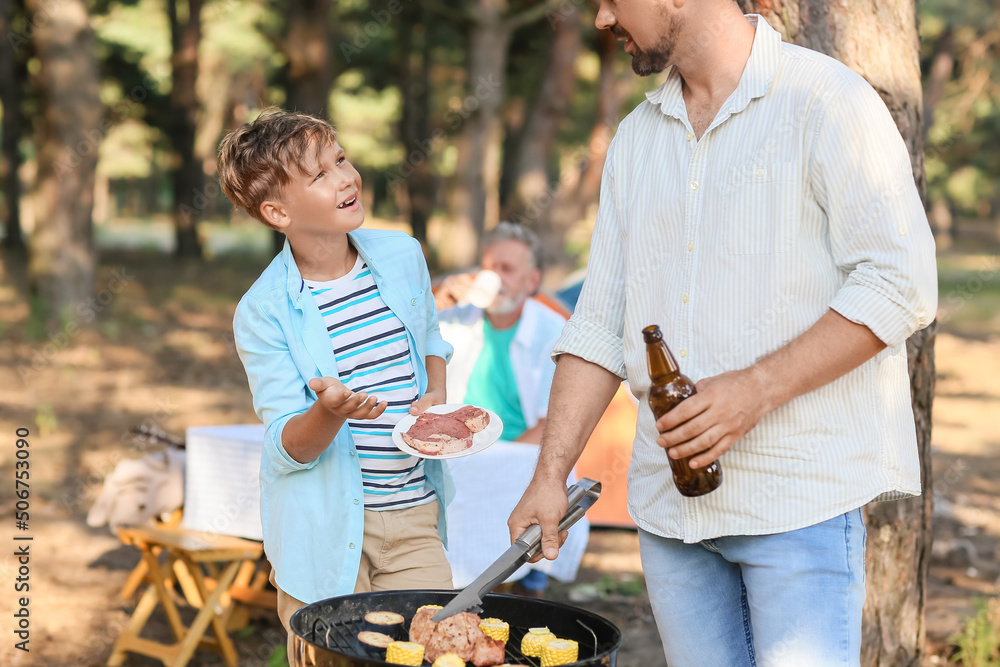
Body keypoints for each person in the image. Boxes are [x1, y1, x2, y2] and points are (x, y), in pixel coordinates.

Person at [508, 3, 938, 666]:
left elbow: (898, 282)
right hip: (671, 517)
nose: (600, 17)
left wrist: (753, 391)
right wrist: (549, 473)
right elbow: (599, 322)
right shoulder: (635, 137)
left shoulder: (826, 101)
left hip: (798, 504)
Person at [218, 109, 454, 660]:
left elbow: (432, 340)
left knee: (440, 650)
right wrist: (330, 412)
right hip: (320, 534)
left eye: (341, 159)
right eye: (320, 175)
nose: (346, 177)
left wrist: (436, 393)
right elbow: (286, 450)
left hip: (415, 513)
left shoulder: (403, 255)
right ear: (278, 212)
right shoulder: (263, 311)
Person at [435, 222, 582, 597]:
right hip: (459, 448)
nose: (495, 278)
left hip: (520, 449)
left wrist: (495, 456)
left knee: (516, 471)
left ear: (533, 280)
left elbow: (554, 422)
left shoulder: (553, 330)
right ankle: (451, 579)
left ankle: (526, 574)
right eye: (490, 267)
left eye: (507, 269)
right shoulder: (453, 319)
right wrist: (436, 297)